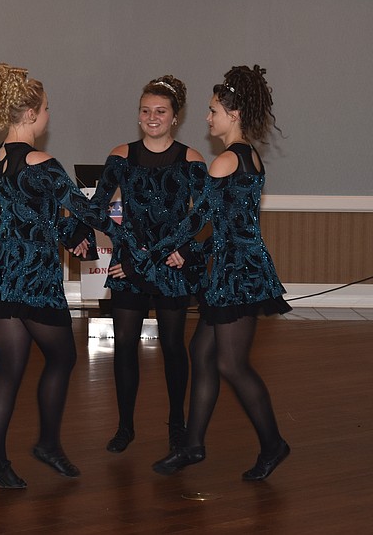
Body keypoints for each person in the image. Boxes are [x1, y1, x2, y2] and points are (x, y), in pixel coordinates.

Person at [0, 63, 114, 489]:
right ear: (29, 113)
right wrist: (130, 235)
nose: (49, 115)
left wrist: (71, 238)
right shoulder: (42, 161)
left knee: (9, 366)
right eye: (46, 108)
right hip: (31, 275)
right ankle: (47, 443)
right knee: (62, 357)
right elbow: (86, 210)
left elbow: (32, 216)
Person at [147, 65, 292, 481]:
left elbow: (198, 221)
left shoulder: (225, 161)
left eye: (213, 111)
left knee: (232, 365)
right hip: (236, 269)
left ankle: (273, 444)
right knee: (203, 353)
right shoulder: (249, 156)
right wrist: (189, 253)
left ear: (235, 114)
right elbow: (231, 226)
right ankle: (192, 446)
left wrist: (157, 250)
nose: (208, 118)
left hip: (236, 276)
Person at [90, 75, 208, 453]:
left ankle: (177, 423)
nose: (152, 117)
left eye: (161, 111)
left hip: (173, 266)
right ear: (138, 115)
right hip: (130, 266)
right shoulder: (121, 155)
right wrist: (127, 249)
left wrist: (186, 251)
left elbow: (207, 214)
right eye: (146, 111)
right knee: (124, 343)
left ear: (175, 117)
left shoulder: (191, 159)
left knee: (174, 345)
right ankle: (125, 426)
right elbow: (98, 208)